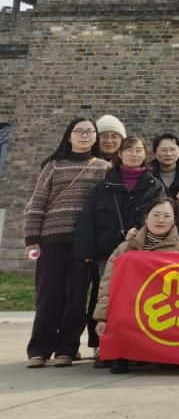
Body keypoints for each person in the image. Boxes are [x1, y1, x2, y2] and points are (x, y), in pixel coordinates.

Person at [24, 117, 109, 369]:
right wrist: (32, 239)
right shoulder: (53, 166)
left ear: (95, 137)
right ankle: (39, 349)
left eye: (89, 131)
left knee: (77, 296)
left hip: (83, 242)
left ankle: (67, 349)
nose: (84, 135)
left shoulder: (103, 168)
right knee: (49, 295)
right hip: (51, 239)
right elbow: (37, 202)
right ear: (69, 136)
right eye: (78, 131)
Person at [74, 135, 165, 367]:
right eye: (129, 150)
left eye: (139, 150)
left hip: (141, 252)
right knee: (104, 297)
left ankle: (133, 347)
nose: (134, 154)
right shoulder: (104, 185)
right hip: (106, 251)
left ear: (146, 155)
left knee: (136, 298)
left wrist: (139, 229)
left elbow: (163, 213)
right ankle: (101, 345)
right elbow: (88, 218)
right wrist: (87, 250)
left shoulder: (154, 185)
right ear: (120, 154)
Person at [93, 197, 179, 374]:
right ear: (146, 217)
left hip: (160, 305)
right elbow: (108, 282)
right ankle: (121, 354)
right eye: (156, 215)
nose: (160, 220)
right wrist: (102, 318)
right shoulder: (125, 248)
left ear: (174, 220)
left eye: (166, 216)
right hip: (129, 304)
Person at [150, 133, 179, 198]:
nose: (168, 154)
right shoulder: (146, 176)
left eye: (173, 149)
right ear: (154, 153)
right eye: (163, 150)